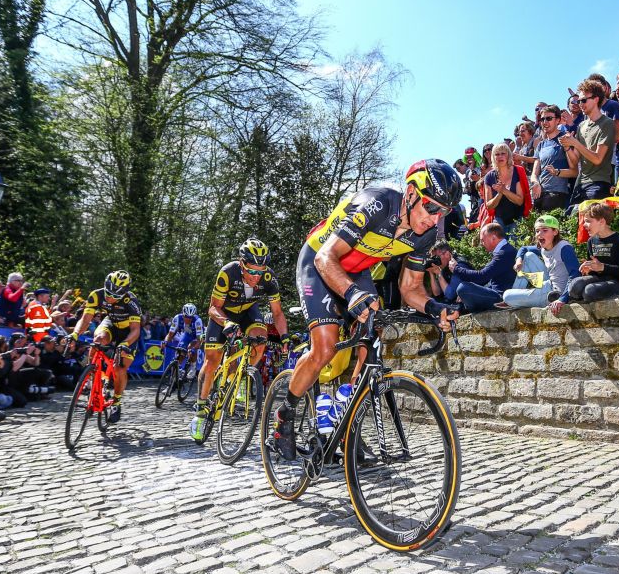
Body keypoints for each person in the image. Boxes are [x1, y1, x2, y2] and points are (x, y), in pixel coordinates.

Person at [270, 159, 461, 460]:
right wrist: (350, 293)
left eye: (444, 212)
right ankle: (285, 415)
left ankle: (345, 417)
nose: (435, 219)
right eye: (431, 207)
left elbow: (410, 288)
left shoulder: (424, 236)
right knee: (325, 347)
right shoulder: (378, 204)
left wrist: (434, 307)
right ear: (410, 193)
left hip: (357, 271)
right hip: (319, 261)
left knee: (373, 334)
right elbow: (325, 258)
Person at [191, 239, 288, 443]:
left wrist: (285, 337)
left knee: (259, 340)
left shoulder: (268, 278)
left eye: (260, 272)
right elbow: (212, 307)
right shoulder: (228, 272)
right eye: (252, 271)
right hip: (222, 314)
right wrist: (226, 323)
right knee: (212, 361)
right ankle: (200, 411)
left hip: (247, 313)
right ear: (242, 264)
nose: (256, 277)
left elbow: (277, 313)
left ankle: (242, 376)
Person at [69, 271, 141, 423]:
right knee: (98, 339)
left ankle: (116, 401)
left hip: (128, 332)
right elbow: (86, 319)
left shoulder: (131, 301)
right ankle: (91, 377)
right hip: (111, 324)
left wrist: (125, 344)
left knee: (119, 368)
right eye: (108, 293)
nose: (110, 298)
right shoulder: (96, 295)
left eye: (115, 296)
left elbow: (136, 330)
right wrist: (75, 334)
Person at [560, 78, 616, 222]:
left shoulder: (607, 123)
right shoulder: (581, 126)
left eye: (584, 100)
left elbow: (598, 159)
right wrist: (567, 147)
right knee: (571, 225)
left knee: (593, 228)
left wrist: (575, 143)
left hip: (599, 183)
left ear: (596, 99)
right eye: (579, 101)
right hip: (580, 184)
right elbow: (575, 161)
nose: (580, 104)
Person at [500, 215, 581, 311]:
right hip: (549, 283)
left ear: (555, 232)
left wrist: (562, 299)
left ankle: (514, 300)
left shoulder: (564, 248)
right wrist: (519, 260)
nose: (539, 234)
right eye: (537, 231)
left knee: (507, 295)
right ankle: (516, 295)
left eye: (545, 230)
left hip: (557, 293)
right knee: (528, 256)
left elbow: (575, 274)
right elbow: (524, 248)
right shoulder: (544, 247)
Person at [568, 202, 619, 303]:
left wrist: (602, 267)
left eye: (588, 221)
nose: (584, 225)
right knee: (575, 286)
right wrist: (588, 269)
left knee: (589, 291)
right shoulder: (591, 241)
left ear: (601, 222)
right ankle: (568, 297)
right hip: (598, 278)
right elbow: (593, 266)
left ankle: (580, 297)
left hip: (617, 281)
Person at [449, 223, 518, 313]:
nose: (482, 244)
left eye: (482, 240)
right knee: (466, 290)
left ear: (493, 238)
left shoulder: (505, 252)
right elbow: (487, 280)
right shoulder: (504, 250)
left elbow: (482, 276)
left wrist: (456, 269)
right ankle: (463, 308)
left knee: (463, 288)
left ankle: (465, 308)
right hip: (497, 294)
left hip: (502, 299)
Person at [531, 105, 578, 212]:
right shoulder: (541, 145)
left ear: (558, 120)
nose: (545, 122)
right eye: (542, 119)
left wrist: (556, 172)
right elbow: (534, 173)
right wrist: (535, 183)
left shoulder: (565, 139)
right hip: (539, 194)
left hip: (558, 194)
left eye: (549, 118)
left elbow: (574, 171)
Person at [482, 143, 530, 235]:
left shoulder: (517, 171)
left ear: (508, 155)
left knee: (515, 246)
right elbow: (488, 205)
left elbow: (520, 201)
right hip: (499, 219)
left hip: (518, 218)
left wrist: (504, 191)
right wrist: (500, 194)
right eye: (497, 154)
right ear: (493, 157)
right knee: (499, 247)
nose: (500, 156)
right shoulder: (489, 177)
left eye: (503, 153)